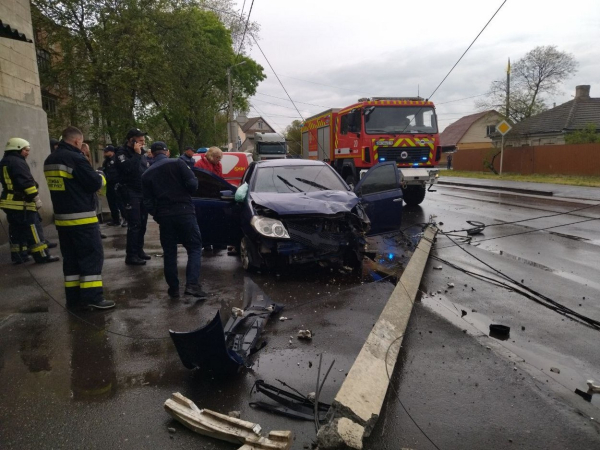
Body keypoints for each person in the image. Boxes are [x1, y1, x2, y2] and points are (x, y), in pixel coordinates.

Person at [43, 126, 115, 310]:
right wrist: (100, 174)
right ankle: (93, 298)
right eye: (81, 142)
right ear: (77, 141)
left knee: (71, 260)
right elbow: (94, 184)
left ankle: (74, 299)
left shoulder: (50, 159)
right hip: (82, 218)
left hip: (62, 219)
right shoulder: (76, 158)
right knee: (91, 257)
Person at [142, 141, 207, 299]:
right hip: (184, 212)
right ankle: (192, 285)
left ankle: (173, 289)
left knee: (170, 253)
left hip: (165, 216)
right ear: (167, 152)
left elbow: (147, 202)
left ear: (152, 153)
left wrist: (158, 215)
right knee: (194, 248)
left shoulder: (146, 174)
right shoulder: (179, 163)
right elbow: (192, 185)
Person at [1, 138, 59, 264]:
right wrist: (36, 198)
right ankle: (42, 255)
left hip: (10, 203)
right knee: (33, 229)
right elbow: (26, 182)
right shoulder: (18, 162)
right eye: (26, 150)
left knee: (16, 231)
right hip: (22, 203)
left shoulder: (5, 161)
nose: (27, 153)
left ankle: (19, 256)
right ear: (17, 148)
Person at [114, 128, 150, 265]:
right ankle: (131, 255)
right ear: (131, 140)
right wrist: (136, 154)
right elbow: (128, 169)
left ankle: (139, 250)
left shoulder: (142, 154)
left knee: (143, 223)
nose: (142, 143)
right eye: (140, 140)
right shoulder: (121, 153)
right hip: (130, 192)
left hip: (142, 192)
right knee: (134, 224)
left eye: (143, 140)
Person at [101, 145, 124, 226]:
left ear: (112, 152)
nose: (105, 153)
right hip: (109, 185)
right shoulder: (106, 161)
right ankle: (116, 220)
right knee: (111, 203)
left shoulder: (117, 160)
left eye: (106, 152)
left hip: (117, 184)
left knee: (120, 203)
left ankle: (125, 219)